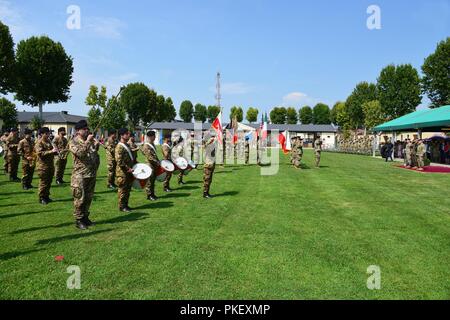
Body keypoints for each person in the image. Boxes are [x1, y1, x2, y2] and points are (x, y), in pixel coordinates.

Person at [69, 120, 100, 230]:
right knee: (79, 199)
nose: (87, 130)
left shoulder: (90, 141)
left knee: (88, 198)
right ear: (78, 131)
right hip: (80, 176)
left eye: (87, 128)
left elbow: (93, 154)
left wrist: (95, 146)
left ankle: (85, 217)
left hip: (91, 174)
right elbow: (81, 153)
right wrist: (88, 141)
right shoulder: (73, 142)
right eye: (84, 129)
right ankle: (79, 220)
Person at [35, 127, 58, 205]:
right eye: (46, 133)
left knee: (49, 182)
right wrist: (51, 151)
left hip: (50, 165)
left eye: (49, 133)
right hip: (42, 166)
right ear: (42, 134)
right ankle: (41, 197)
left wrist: (56, 152)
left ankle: (46, 196)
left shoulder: (48, 141)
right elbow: (40, 153)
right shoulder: (39, 142)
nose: (48, 135)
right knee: (43, 183)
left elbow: (51, 151)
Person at [115, 128, 135, 212]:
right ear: (122, 135)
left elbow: (129, 158)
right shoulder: (119, 146)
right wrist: (127, 169)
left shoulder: (126, 145)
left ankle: (126, 205)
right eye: (127, 134)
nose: (128, 135)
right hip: (122, 172)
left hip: (129, 171)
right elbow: (119, 161)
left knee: (128, 189)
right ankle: (122, 206)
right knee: (122, 190)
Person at [141, 131, 159, 201]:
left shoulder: (152, 144)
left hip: (154, 164)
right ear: (151, 137)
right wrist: (157, 162)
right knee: (149, 181)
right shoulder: (147, 145)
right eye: (154, 136)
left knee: (153, 180)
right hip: (149, 165)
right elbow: (150, 157)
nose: (155, 137)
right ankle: (149, 195)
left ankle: (152, 194)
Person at [203, 131, 217, 199]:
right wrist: (209, 142)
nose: (213, 138)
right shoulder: (207, 145)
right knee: (207, 179)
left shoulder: (212, 145)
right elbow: (205, 146)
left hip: (211, 164)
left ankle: (207, 192)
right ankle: (205, 193)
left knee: (209, 180)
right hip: (208, 165)